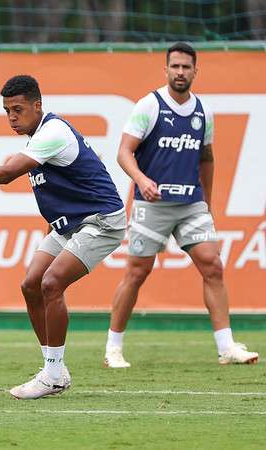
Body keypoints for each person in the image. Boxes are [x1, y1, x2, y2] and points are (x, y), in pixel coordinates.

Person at [0, 75, 126, 399]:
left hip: (101, 221)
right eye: (7, 110)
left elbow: (7, 174)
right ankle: (55, 370)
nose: (11, 117)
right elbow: (15, 169)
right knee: (31, 284)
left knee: (51, 284)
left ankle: (52, 374)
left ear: (38, 105)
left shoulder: (53, 133)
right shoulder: (37, 138)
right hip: (68, 226)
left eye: (18, 109)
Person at [104, 42, 258, 368]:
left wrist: (208, 202)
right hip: (153, 204)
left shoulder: (204, 111)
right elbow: (123, 152)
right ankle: (113, 348)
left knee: (212, 266)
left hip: (191, 204)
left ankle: (226, 347)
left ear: (195, 71)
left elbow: (207, 158)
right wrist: (142, 180)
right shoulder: (149, 105)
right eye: (175, 66)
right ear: (166, 69)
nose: (180, 72)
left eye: (186, 67)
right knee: (137, 272)